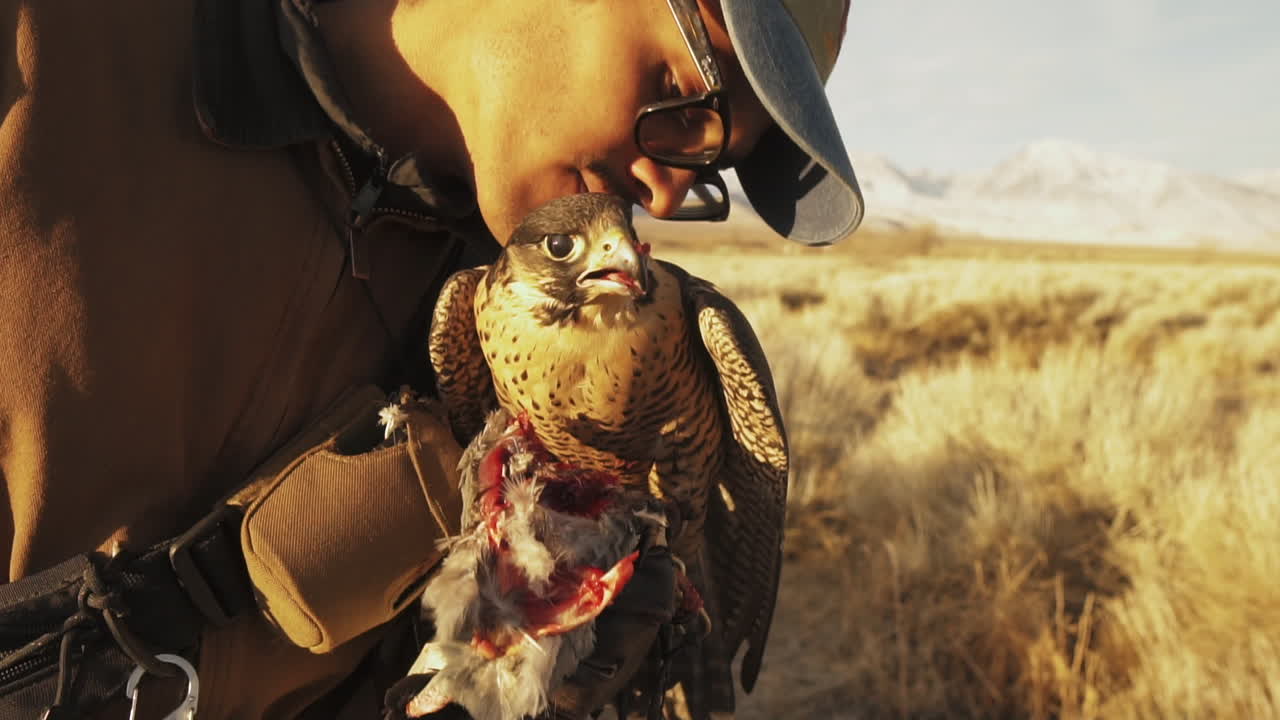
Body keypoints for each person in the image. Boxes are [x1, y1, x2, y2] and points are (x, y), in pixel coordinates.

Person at [0, 0, 863, 717]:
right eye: (681, 92)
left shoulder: (505, 320)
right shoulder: (57, 40)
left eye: (712, 159)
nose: (668, 191)